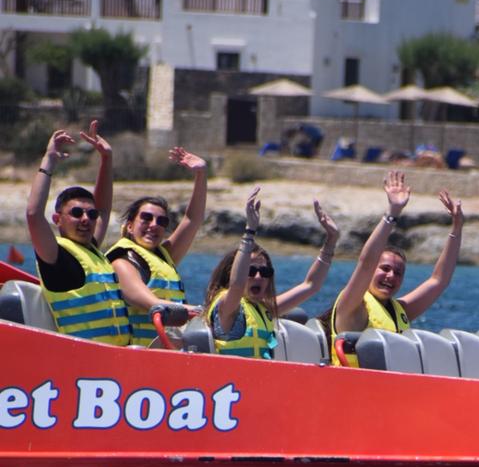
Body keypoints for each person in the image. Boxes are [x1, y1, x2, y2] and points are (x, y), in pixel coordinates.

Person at [329, 169, 463, 365]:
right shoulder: (352, 307)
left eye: (398, 273)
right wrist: (393, 213)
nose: (391, 276)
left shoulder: (400, 311)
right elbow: (365, 264)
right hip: (353, 390)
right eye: (384, 268)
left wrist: (457, 229)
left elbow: (439, 280)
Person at [26, 121, 131, 346]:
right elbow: (34, 214)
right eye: (76, 213)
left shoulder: (92, 250)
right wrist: (49, 160)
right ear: (57, 220)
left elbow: (102, 208)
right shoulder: (54, 255)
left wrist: (106, 159)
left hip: (116, 359)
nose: (86, 219)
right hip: (83, 360)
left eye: (90, 215)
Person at [204, 187, 339, 358]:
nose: (259, 277)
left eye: (265, 272)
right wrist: (249, 232)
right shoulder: (226, 306)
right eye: (251, 271)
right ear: (233, 272)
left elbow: (311, 285)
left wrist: (331, 240)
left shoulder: (266, 309)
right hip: (230, 382)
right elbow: (237, 285)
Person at [106, 147, 207, 347]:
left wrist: (201, 173)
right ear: (129, 225)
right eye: (146, 218)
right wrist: (201, 312)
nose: (154, 225)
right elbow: (153, 304)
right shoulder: (122, 261)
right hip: (142, 355)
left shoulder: (164, 256)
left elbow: (193, 219)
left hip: (168, 353)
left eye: (161, 221)